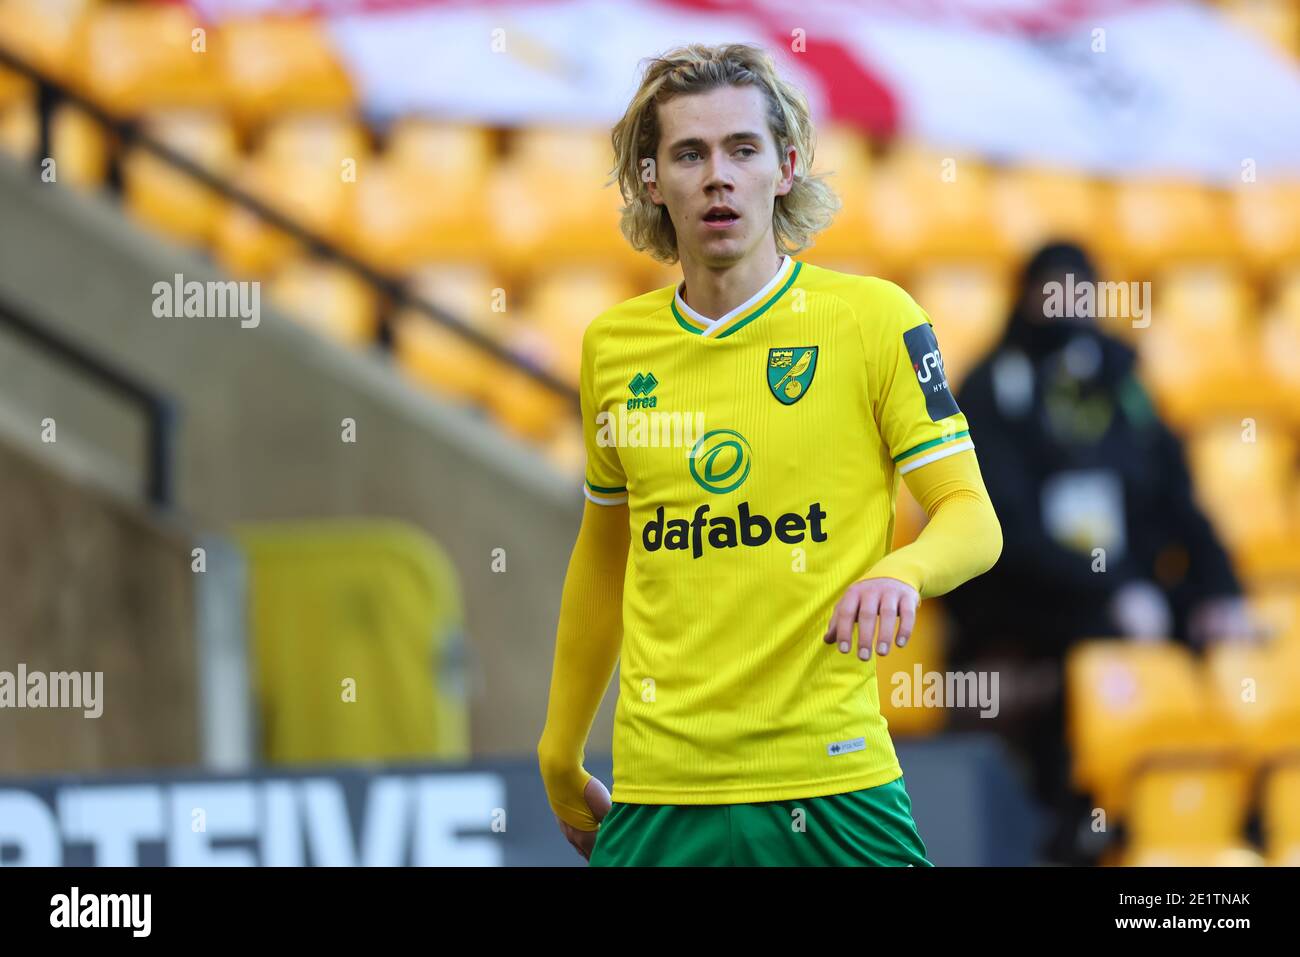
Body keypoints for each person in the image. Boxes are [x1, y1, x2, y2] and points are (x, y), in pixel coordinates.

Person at [536, 42, 1002, 867]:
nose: (718, 175)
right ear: (651, 181)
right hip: (660, 789)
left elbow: (973, 518)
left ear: (785, 167)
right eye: (690, 153)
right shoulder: (613, 348)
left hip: (832, 785)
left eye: (741, 150)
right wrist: (559, 743)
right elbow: (606, 552)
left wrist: (904, 570)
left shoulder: (873, 320)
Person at [944, 240, 1253, 864]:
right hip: (1026, 595)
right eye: (1050, 293)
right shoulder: (990, 389)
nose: (1065, 308)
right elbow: (1004, 528)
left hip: (1127, 585)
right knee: (1084, 642)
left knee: (1223, 631)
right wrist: (1111, 590)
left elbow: (1178, 499)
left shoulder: (1120, 383)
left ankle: (1214, 818)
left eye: (1077, 293)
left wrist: (1220, 593)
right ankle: (1078, 816)